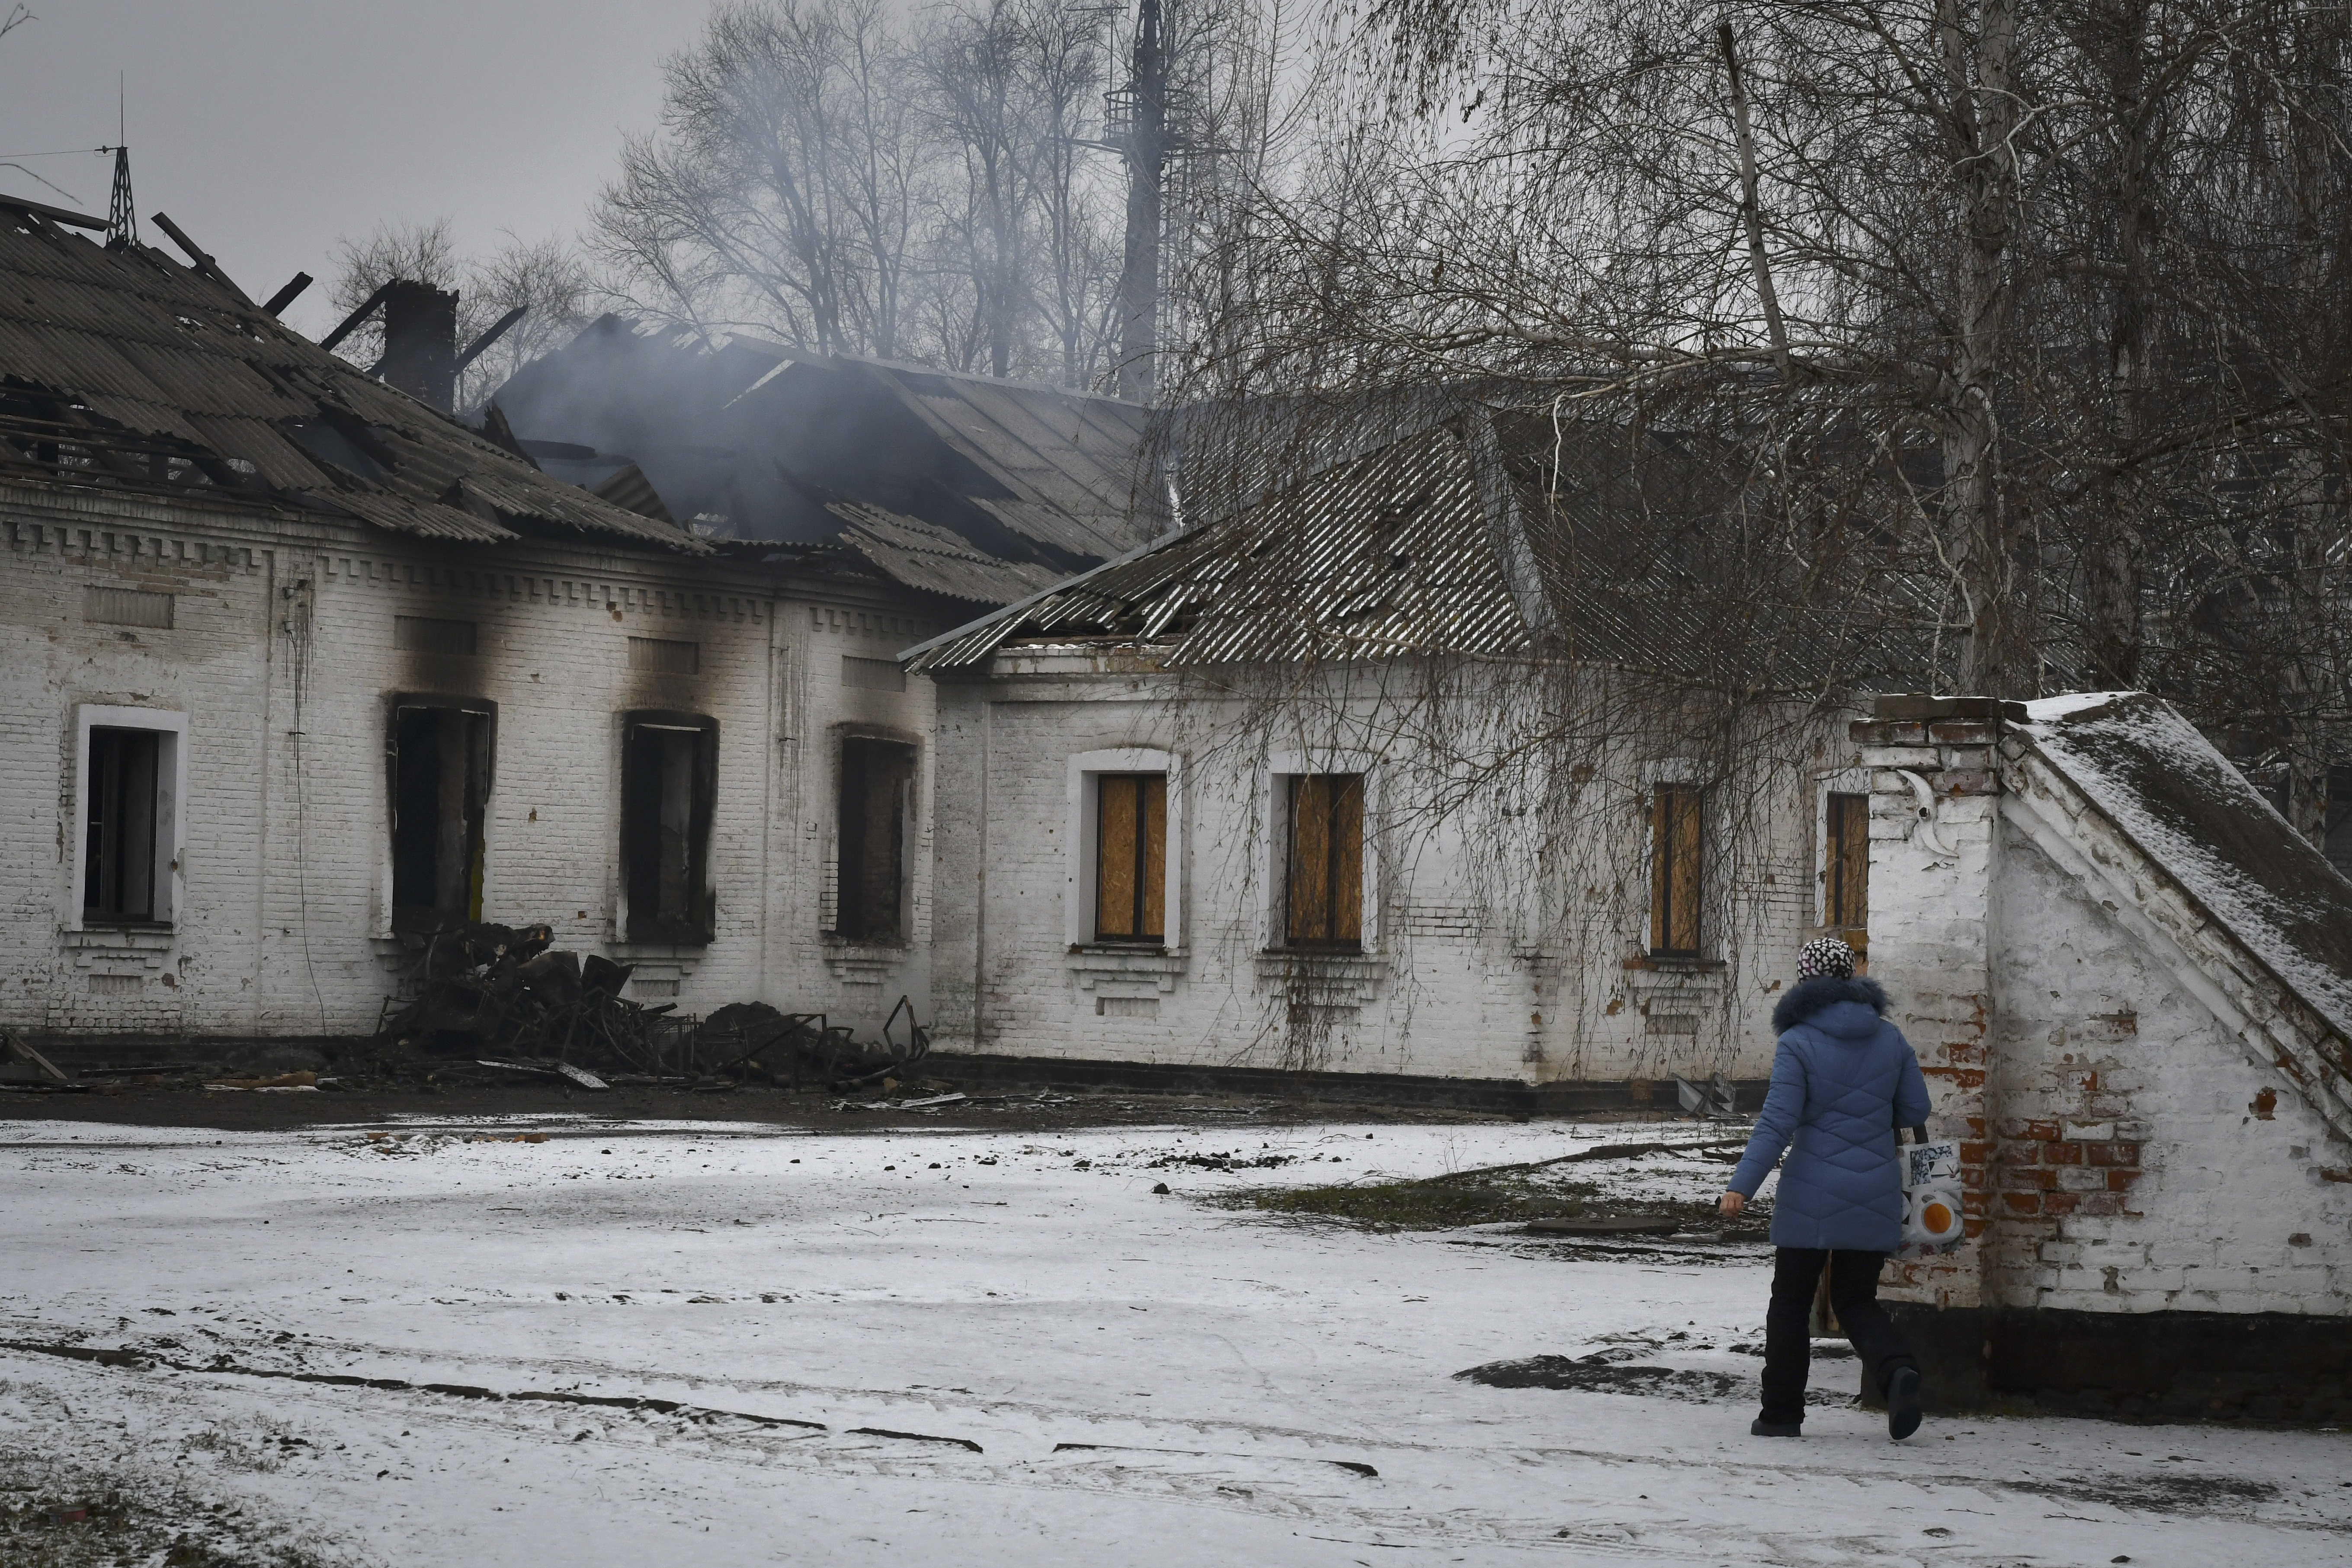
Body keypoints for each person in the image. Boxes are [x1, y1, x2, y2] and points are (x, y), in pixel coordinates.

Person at [1719, 936, 1932, 1440]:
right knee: (1856, 1298)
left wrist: (1740, 1187)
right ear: (1850, 976)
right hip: (1876, 1185)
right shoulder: (1890, 1037)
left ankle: (1780, 1414)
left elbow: (1777, 1122)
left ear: (1805, 979)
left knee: (1790, 1300)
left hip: (1811, 1190)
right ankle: (1897, 1368)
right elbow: (1914, 1110)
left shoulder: (1797, 1040)